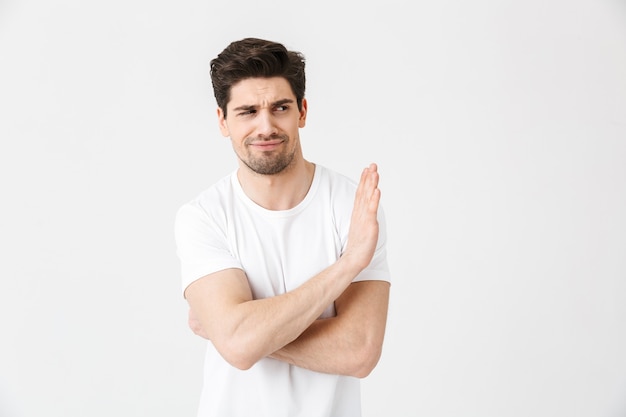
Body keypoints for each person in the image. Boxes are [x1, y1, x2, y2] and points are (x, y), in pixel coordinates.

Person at [174, 37, 391, 417]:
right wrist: (347, 265)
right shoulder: (203, 216)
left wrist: (238, 333)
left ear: (302, 111)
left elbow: (359, 352)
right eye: (247, 111)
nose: (266, 126)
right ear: (223, 121)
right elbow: (238, 343)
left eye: (280, 107)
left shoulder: (352, 207)